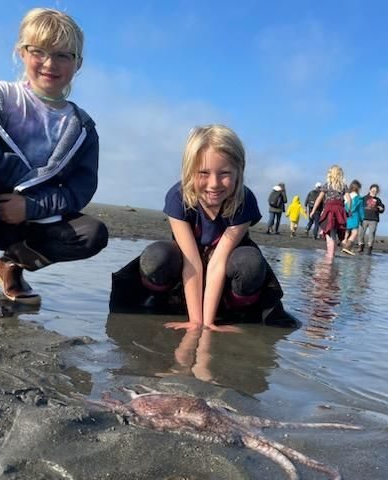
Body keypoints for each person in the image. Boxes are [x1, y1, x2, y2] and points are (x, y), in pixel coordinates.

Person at [0, 8, 108, 320]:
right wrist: (18, 176)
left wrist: (30, 206)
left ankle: (9, 265)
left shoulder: (82, 128)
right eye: (38, 51)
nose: (50, 64)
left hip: (30, 222)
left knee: (92, 233)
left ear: (78, 63)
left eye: (63, 55)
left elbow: (79, 191)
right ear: (21, 52)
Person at [109, 124, 298, 330]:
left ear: (239, 171)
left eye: (224, 173)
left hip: (227, 266)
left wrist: (208, 326)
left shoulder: (245, 200)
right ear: (189, 171)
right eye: (204, 172)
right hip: (186, 263)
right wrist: (196, 323)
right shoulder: (177, 197)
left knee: (250, 263)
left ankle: (234, 309)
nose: (214, 184)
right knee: (157, 257)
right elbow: (192, 263)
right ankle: (164, 302)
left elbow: (218, 262)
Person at [309, 165, 351, 261]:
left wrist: (313, 210)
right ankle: (331, 254)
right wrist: (349, 210)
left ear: (331, 174)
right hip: (340, 209)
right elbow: (349, 199)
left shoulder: (327, 185)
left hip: (329, 209)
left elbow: (319, 198)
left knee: (329, 234)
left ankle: (330, 256)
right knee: (334, 233)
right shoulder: (343, 186)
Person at [358, 184, 385, 255]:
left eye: (375, 191)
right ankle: (361, 246)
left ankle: (370, 249)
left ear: (377, 192)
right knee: (360, 233)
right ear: (370, 190)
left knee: (371, 234)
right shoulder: (364, 198)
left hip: (374, 219)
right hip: (363, 218)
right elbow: (359, 206)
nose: (374, 192)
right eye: (373, 190)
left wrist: (381, 209)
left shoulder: (378, 200)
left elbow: (382, 209)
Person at [342, 180, 364, 255]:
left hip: (346, 215)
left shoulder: (345, 195)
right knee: (355, 232)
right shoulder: (359, 199)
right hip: (354, 216)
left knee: (347, 231)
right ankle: (347, 248)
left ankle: (344, 242)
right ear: (358, 189)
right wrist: (362, 219)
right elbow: (361, 210)